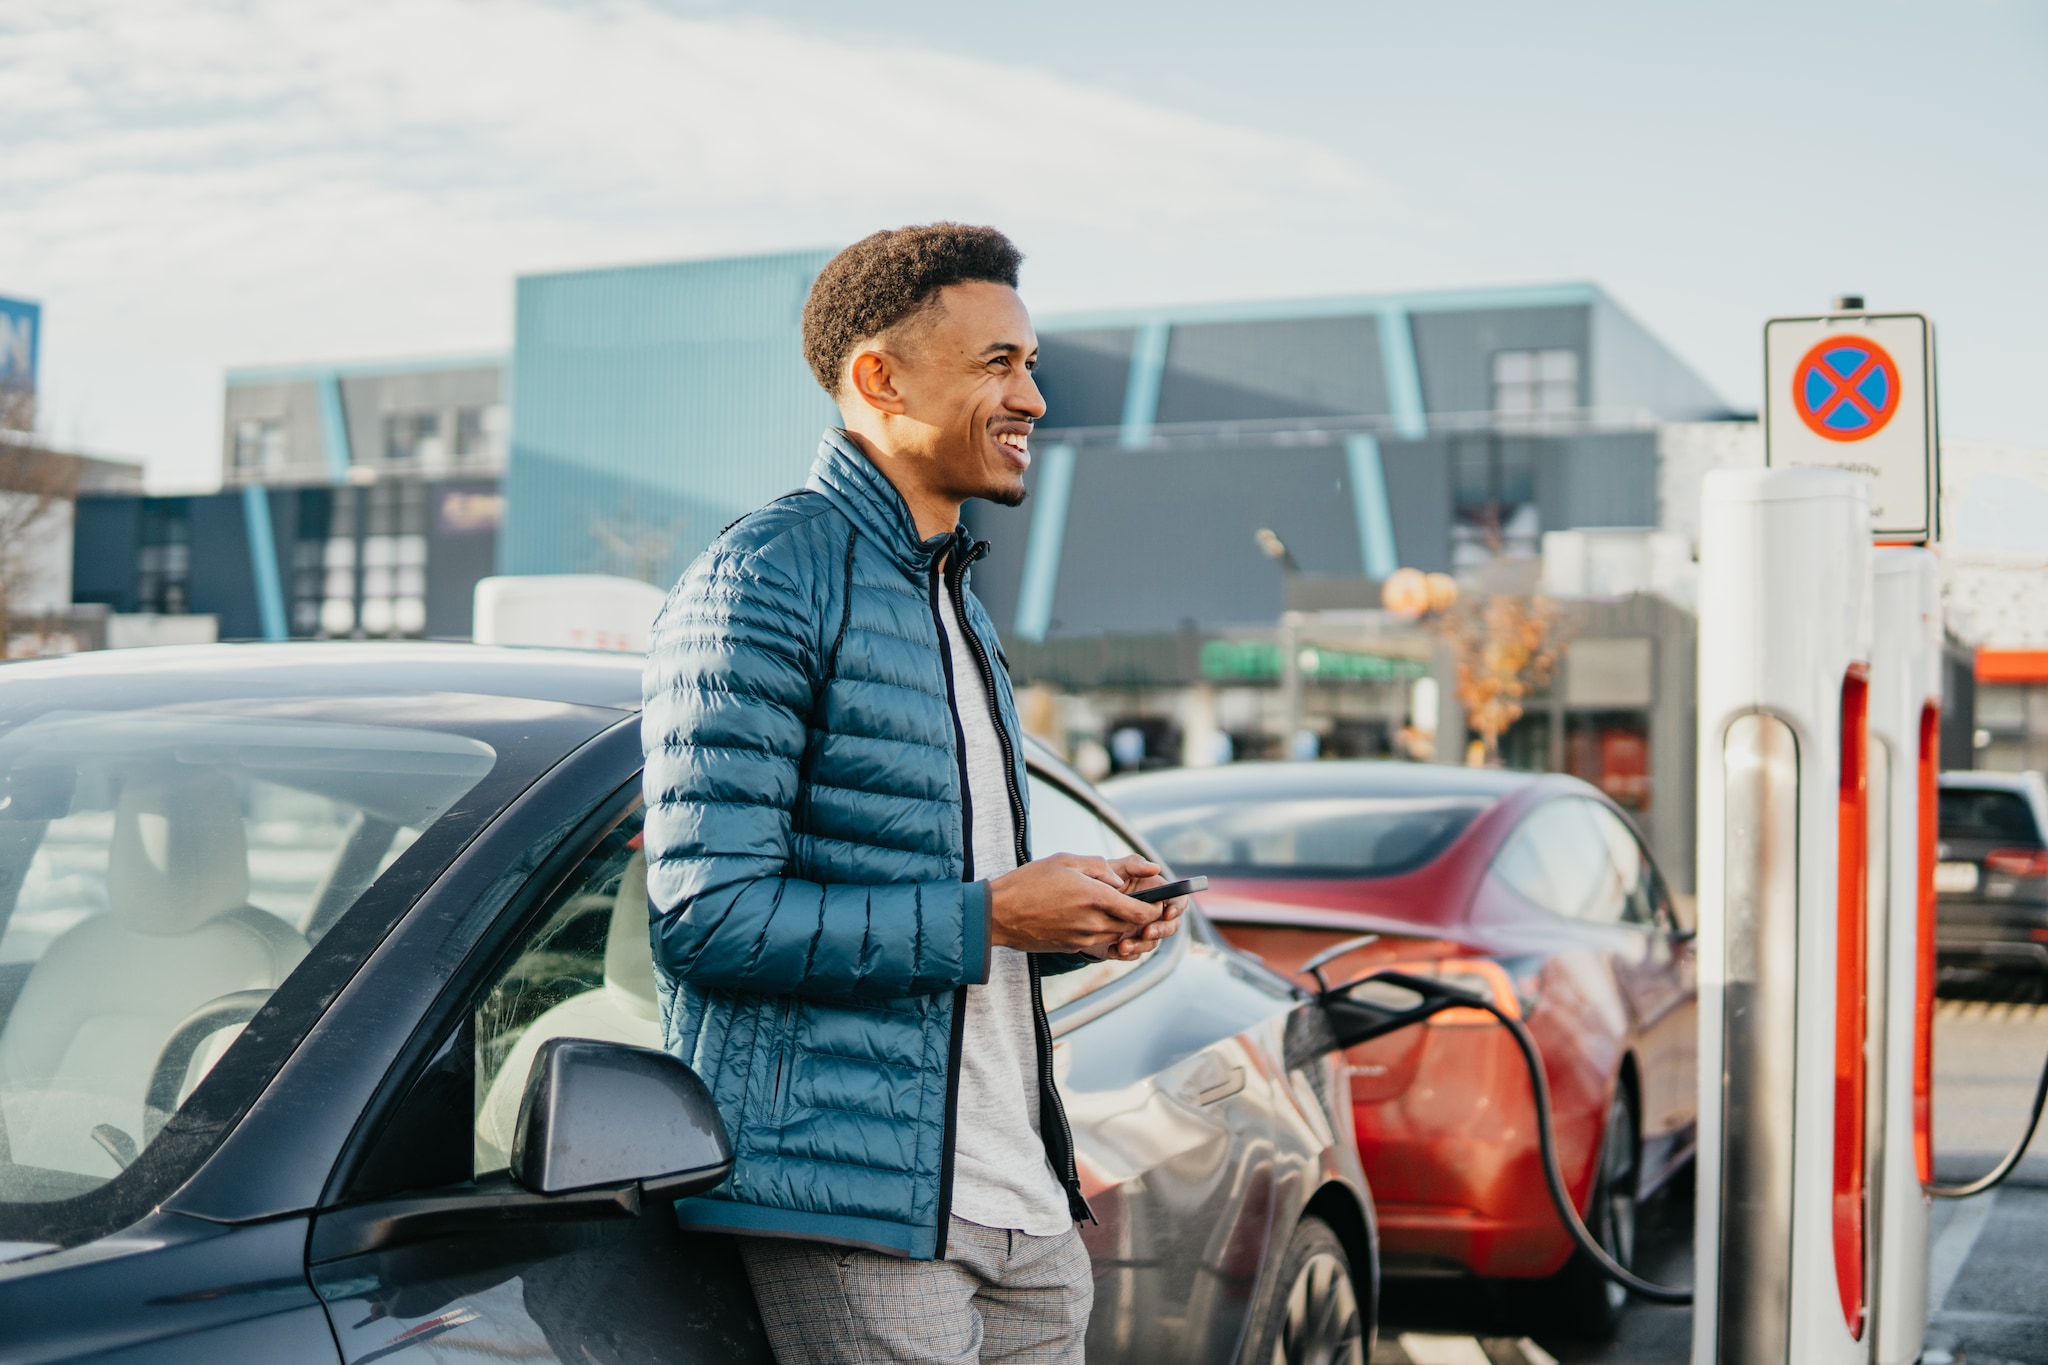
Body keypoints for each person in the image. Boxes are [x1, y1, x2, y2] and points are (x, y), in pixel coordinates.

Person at [641, 222, 1188, 1365]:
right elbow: (707, 919)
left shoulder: (954, 600)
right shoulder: (763, 580)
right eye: (998, 364)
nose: (1033, 398)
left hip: (1024, 1201)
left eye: (1029, 364)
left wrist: (1070, 917)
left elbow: (937, 895)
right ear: (877, 379)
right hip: (859, 1213)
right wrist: (993, 916)